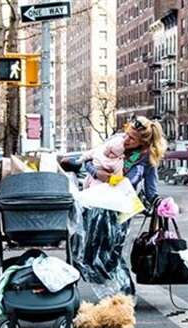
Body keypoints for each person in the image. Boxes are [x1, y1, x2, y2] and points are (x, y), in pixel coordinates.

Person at [72, 116, 167, 297]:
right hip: (96, 204)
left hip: (121, 210)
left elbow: (151, 191)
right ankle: (111, 293)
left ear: (143, 143)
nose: (126, 139)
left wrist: (160, 204)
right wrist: (99, 174)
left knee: (112, 254)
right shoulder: (116, 143)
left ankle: (124, 295)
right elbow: (90, 160)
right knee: (87, 252)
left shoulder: (146, 159)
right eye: (127, 134)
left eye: (132, 138)